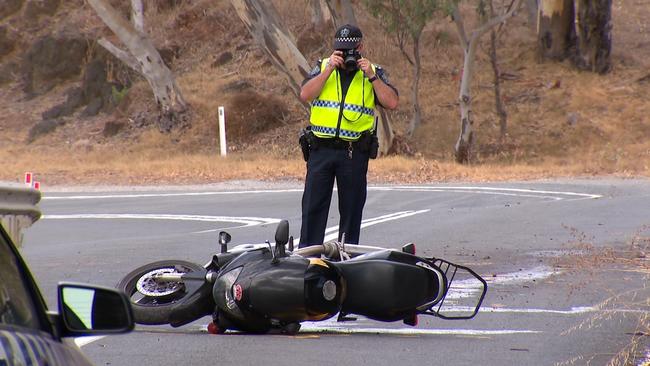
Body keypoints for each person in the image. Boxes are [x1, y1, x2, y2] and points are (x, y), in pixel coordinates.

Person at [298, 24, 399, 248]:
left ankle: (347, 258)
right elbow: (305, 94)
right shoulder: (323, 66)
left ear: (360, 47)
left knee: (352, 210)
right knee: (313, 207)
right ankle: (308, 259)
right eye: (341, 50)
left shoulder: (373, 71)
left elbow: (392, 102)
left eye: (350, 50)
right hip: (320, 150)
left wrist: (372, 76)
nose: (345, 55)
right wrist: (328, 71)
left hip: (353, 153)